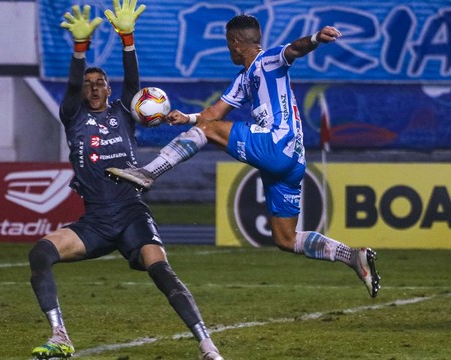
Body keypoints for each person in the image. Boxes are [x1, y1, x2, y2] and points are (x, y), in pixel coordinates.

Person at [106, 14, 381, 298]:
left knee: (210, 130)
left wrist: (314, 38)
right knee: (285, 238)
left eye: (228, 44)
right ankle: (352, 256)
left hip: (276, 143)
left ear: (236, 43)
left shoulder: (268, 60)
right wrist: (186, 117)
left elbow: (293, 50)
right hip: (293, 162)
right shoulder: (244, 78)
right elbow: (214, 113)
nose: (228, 50)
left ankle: (149, 172)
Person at [28, 2, 224, 359]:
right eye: (88, 84)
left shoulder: (123, 112)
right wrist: (79, 49)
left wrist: (127, 39)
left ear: (108, 89)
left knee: (162, 272)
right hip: (97, 222)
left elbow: (132, 82)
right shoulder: (72, 116)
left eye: (99, 83)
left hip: (132, 213)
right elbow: (72, 85)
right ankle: (59, 335)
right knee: (40, 252)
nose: (93, 88)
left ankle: (206, 345)